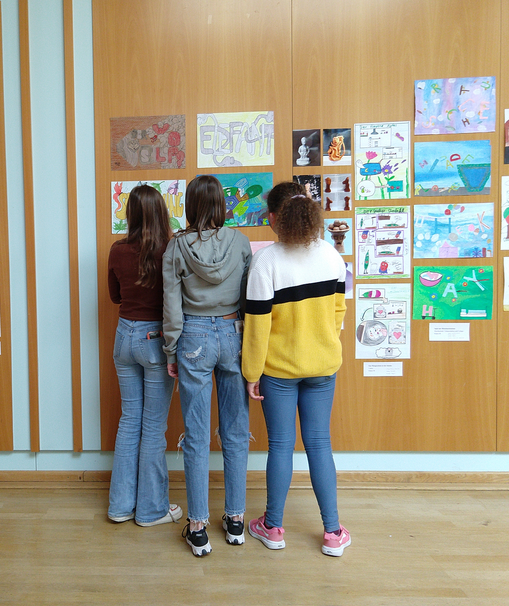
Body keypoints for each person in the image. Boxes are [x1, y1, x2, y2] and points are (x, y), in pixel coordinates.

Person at [242, 181, 350, 557]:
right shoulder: (332, 257)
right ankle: (333, 532)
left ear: (273, 218)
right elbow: (339, 312)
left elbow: (257, 326)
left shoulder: (266, 262)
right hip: (323, 366)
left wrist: (251, 372)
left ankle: (272, 527)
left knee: (281, 446)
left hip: (279, 371)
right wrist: (324, 341)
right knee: (320, 444)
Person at [162, 174, 252, 556]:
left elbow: (171, 306)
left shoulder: (176, 248)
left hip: (193, 338)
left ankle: (197, 526)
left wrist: (171, 350)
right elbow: (251, 299)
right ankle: (234, 522)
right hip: (234, 333)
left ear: (191, 205)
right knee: (235, 430)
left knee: (196, 435)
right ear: (221, 204)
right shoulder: (242, 242)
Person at [107, 185, 182, 527]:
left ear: (131, 214)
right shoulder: (169, 249)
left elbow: (114, 296)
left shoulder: (117, 250)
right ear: (161, 212)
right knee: (152, 427)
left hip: (124, 337)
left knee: (128, 421)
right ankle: (151, 510)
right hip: (155, 339)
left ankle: (120, 507)